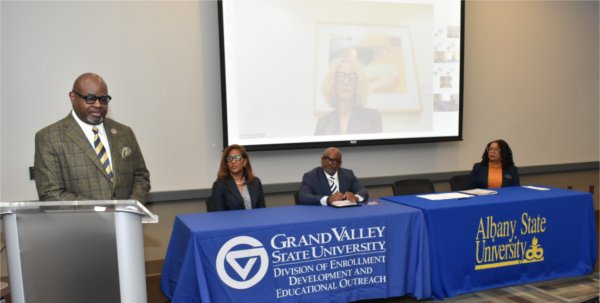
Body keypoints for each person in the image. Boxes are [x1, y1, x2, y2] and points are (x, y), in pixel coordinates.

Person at [34, 73, 151, 203]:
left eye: (103, 99)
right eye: (90, 98)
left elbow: (141, 176)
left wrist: (130, 207)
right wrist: (100, 211)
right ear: (73, 97)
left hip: (127, 220)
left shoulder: (124, 132)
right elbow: (50, 194)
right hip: (82, 222)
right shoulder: (49, 138)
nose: (98, 105)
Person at [315, 57, 382, 135]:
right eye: (340, 76)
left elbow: (374, 147)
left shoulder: (372, 118)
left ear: (358, 83)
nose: (346, 82)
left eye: (351, 77)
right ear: (333, 82)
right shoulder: (323, 123)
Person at [298, 147, 368, 205]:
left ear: (339, 164)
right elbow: (303, 197)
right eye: (327, 159)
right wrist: (328, 199)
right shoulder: (311, 176)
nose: (330, 163)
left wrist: (356, 197)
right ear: (321, 160)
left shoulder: (348, 174)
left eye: (334, 160)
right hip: (323, 215)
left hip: (346, 213)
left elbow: (363, 191)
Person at [210, 144, 266, 211]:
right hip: (230, 221)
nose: (233, 161)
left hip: (254, 221)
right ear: (226, 163)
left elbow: (262, 211)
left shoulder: (255, 182)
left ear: (245, 162)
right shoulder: (219, 185)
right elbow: (218, 215)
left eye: (237, 157)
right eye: (229, 158)